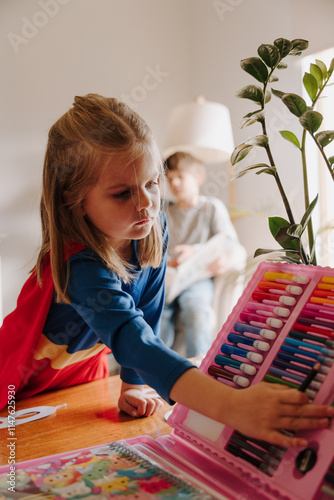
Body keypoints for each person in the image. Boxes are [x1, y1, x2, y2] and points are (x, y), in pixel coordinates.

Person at [0, 94, 333, 448]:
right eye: (121, 193)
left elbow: (147, 310)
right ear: (75, 199)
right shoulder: (77, 265)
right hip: (17, 382)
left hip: (77, 378)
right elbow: (132, 338)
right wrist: (232, 407)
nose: (145, 203)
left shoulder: (152, 224)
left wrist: (132, 383)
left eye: (151, 183)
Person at [160, 152, 245, 358]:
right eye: (170, 179)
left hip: (197, 278)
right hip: (169, 278)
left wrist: (200, 253)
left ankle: (198, 365)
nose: (175, 183)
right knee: (156, 310)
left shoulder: (211, 208)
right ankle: (159, 363)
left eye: (181, 177)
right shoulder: (164, 213)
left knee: (196, 307)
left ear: (198, 178)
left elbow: (231, 246)